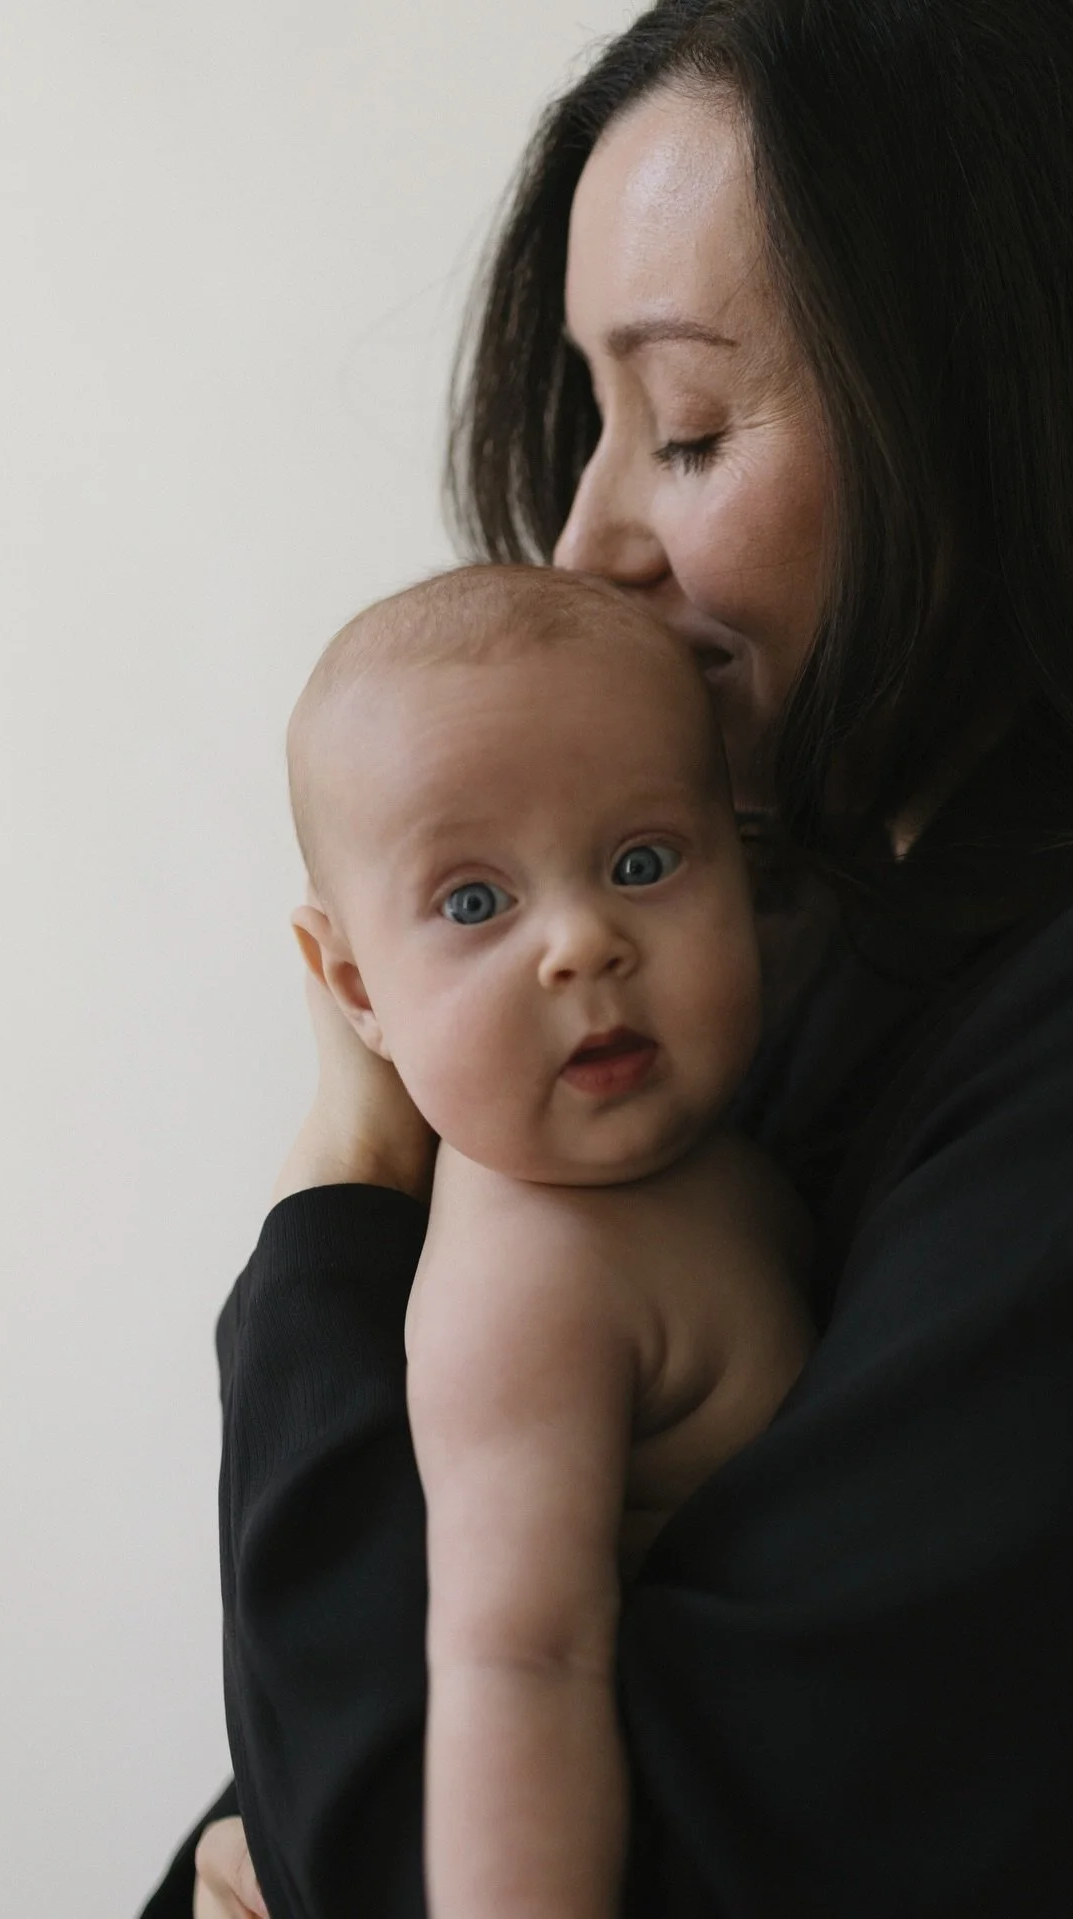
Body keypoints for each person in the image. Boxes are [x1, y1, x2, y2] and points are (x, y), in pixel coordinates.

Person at [143, 1, 1073, 1914]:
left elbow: (504, 1854)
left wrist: (342, 1191)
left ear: (1014, 419)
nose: (586, 536)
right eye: (591, 418)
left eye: (682, 427)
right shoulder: (774, 979)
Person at [285, 562, 811, 1917]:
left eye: (644, 862)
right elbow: (516, 1665)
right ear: (356, 987)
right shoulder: (526, 1281)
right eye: (475, 902)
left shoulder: (715, 1144)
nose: (584, 942)